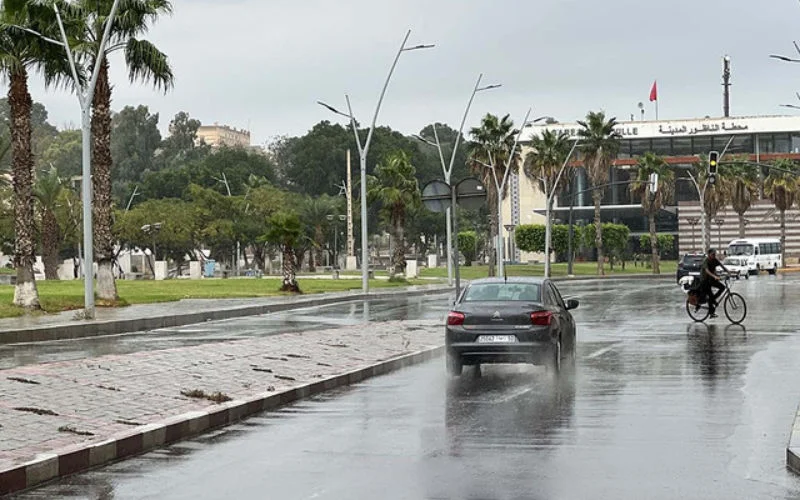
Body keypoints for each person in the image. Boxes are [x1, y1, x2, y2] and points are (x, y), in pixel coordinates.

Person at [699, 248, 728, 318]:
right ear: (709, 254)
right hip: (705, 281)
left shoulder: (715, 260)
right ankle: (711, 313)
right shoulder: (705, 261)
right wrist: (715, 276)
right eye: (713, 254)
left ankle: (713, 300)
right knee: (710, 294)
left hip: (711, 279)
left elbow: (722, 266)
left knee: (722, 287)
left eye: (715, 254)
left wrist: (729, 272)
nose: (714, 256)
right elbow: (707, 271)